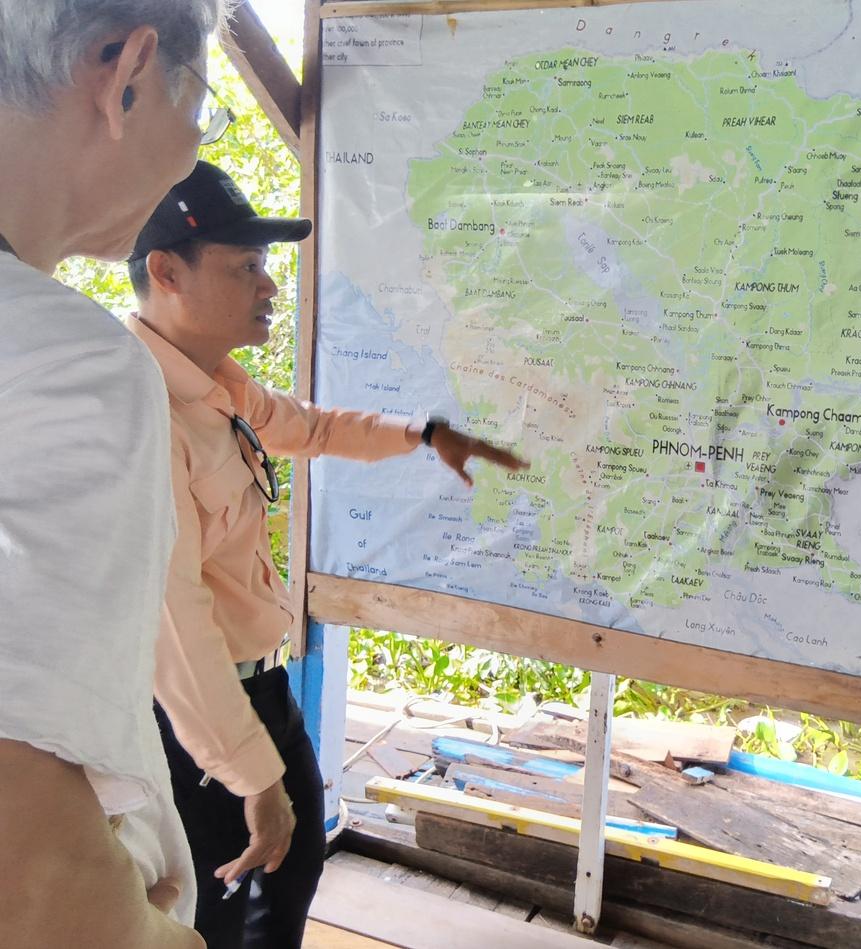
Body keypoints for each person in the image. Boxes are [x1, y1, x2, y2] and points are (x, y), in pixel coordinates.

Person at [127, 159, 529, 948]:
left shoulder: (219, 387)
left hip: (262, 691)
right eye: (245, 267)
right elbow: (175, 628)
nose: (269, 285)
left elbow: (308, 426)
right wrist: (251, 775)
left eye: (265, 265)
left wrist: (423, 433)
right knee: (214, 917)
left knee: (292, 874)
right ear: (167, 272)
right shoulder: (143, 410)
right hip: (192, 723)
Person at [0, 3, 229, 946]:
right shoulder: (70, 365)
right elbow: (29, 878)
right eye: (202, 108)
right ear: (127, 73)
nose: (194, 146)